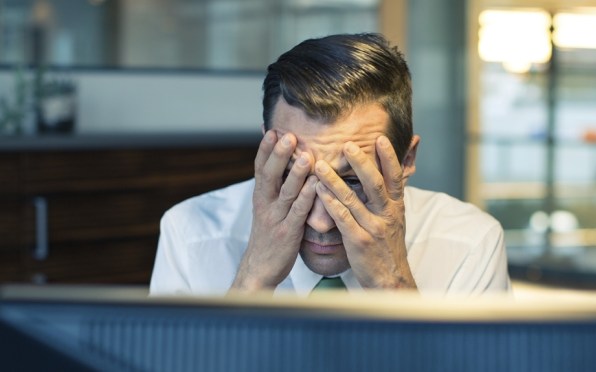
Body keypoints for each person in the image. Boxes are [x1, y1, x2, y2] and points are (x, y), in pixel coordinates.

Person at [150, 33, 510, 296]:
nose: (322, 222)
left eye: (353, 182)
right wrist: (253, 278)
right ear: (266, 152)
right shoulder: (191, 234)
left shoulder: (469, 242)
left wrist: (392, 284)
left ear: (406, 160)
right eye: (295, 176)